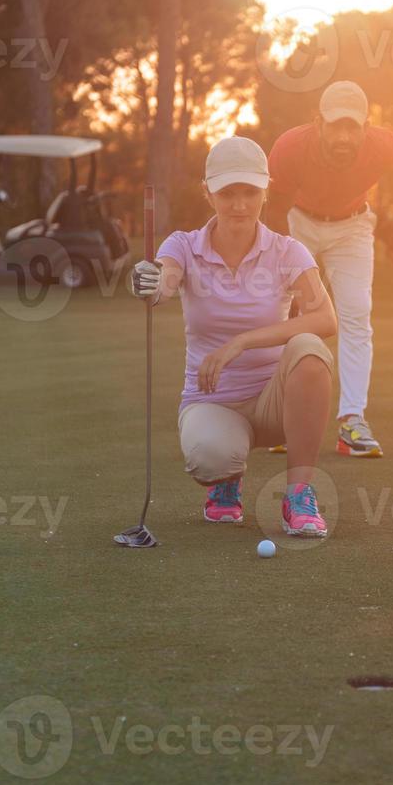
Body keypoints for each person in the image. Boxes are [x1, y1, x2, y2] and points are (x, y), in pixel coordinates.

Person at [128, 136, 338, 537]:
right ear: (208, 193)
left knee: (310, 351)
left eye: (249, 192)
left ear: (265, 192)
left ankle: (298, 494)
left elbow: (326, 318)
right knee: (211, 459)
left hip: (275, 400)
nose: (239, 204)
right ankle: (226, 481)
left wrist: (241, 342)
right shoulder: (183, 245)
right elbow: (163, 284)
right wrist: (147, 283)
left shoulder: (288, 251)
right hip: (212, 398)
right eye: (227, 192)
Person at [266, 80, 393, 458]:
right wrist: (289, 266)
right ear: (318, 123)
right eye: (335, 126)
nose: (344, 136)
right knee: (286, 311)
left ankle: (351, 421)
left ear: (366, 127)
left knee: (356, 314)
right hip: (299, 222)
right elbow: (274, 207)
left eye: (353, 127)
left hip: (352, 227)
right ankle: (280, 415)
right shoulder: (290, 148)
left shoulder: (381, 144)